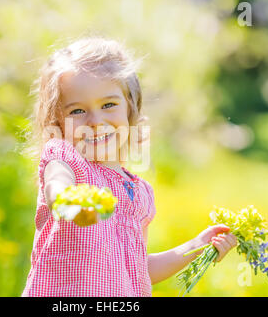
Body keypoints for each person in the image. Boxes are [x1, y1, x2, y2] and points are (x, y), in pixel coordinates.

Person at [22, 37, 237, 296]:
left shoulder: (139, 193)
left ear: (130, 109)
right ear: (57, 120)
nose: (95, 120)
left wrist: (197, 246)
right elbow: (57, 183)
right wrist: (68, 200)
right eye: (77, 111)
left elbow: (135, 269)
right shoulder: (65, 158)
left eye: (108, 105)